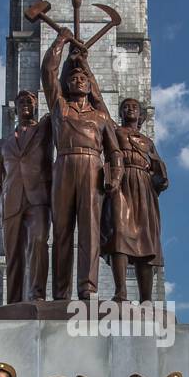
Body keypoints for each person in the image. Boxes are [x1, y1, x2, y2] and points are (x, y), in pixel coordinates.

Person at [40, 27, 122, 300]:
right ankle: (61, 293)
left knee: (90, 230)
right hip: (63, 164)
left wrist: (116, 176)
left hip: (92, 168)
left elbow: (114, 150)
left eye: (83, 78)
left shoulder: (101, 116)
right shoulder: (59, 106)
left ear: (90, 85)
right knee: (61, 230)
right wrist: (60, 41)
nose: (78, 81)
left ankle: (87, 287)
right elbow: (48, 73)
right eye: (73, 78)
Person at [0, 88, 53, 303]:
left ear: (36, 106)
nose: (25, 104)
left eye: (30, 101)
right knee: (13, 253)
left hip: (38, 198)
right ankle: (13, 302)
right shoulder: (4, 143)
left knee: (39, 242)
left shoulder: (45, 130)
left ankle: (37, 294)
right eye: (21, 101)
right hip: (11, 201)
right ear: (15, 107)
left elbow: (57, 100)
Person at [103, 97, 169, 302]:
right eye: (125, 107)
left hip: (144, 187)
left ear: (141, 116)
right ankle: (120, 292)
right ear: (120, 114)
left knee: (145, 241)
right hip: (121, 182)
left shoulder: (148, 142)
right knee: (119, 233)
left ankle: (146, 299)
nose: (130, 109)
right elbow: (99, 103)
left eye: (134, 107)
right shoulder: (114, 131)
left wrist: (159, 177)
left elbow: (160, 169)